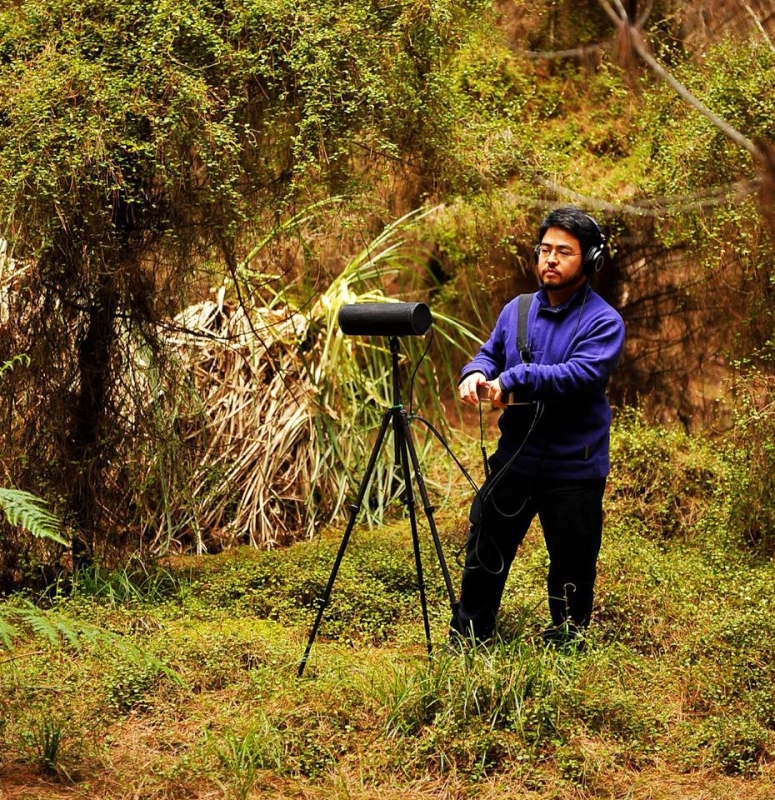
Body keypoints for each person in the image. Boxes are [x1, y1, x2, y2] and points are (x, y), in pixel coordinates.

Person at [451, 205, 625, 646]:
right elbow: (490, 353)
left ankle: (565, 649)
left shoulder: (604, 322)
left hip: (573, 468)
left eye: (564, 252)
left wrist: (514, 378)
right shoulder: (518, 309)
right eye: (545, 249)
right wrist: (474, 372)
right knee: (484, 549)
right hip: (516, 459)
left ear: (590, 260)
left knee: (572, 566)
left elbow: (577, 377)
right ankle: (471, 638)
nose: (550, 259)